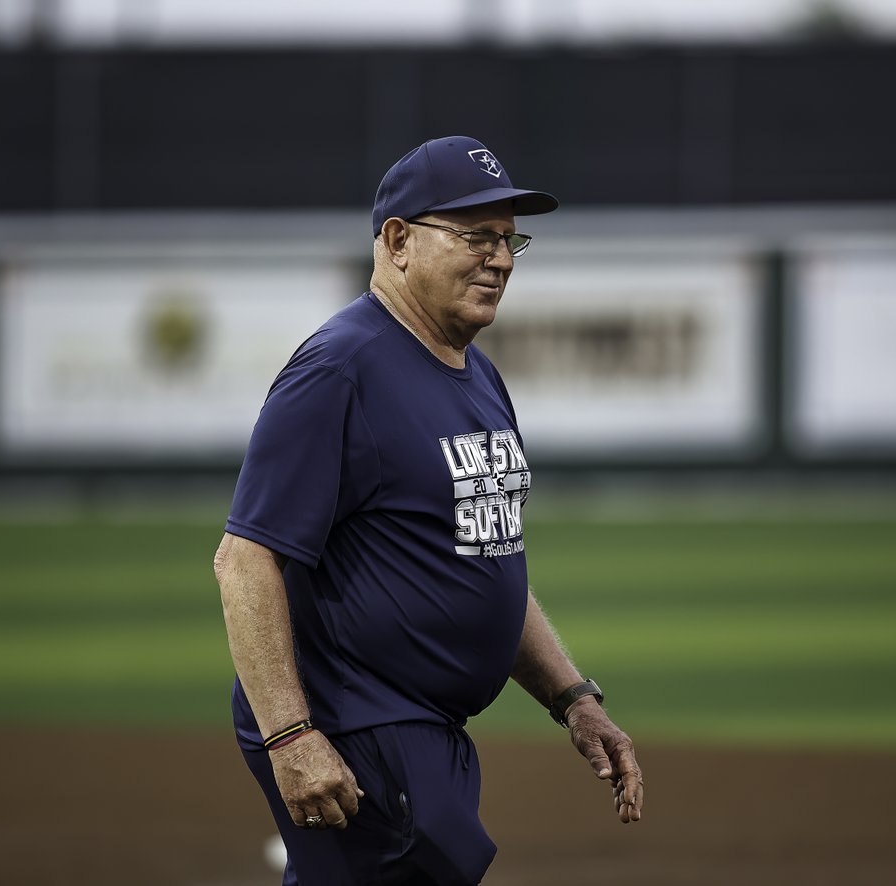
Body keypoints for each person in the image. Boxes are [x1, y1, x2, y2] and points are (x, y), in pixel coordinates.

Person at [214, 135, 644, 886]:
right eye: (476, 235)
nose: (501, 259)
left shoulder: (478, 375)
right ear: (398, 240)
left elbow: (486, 561)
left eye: (511, 240)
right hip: (357, 726)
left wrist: (573, 698)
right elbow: (246, 558)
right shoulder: (340, 368)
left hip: (416, 732)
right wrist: (291, 736)